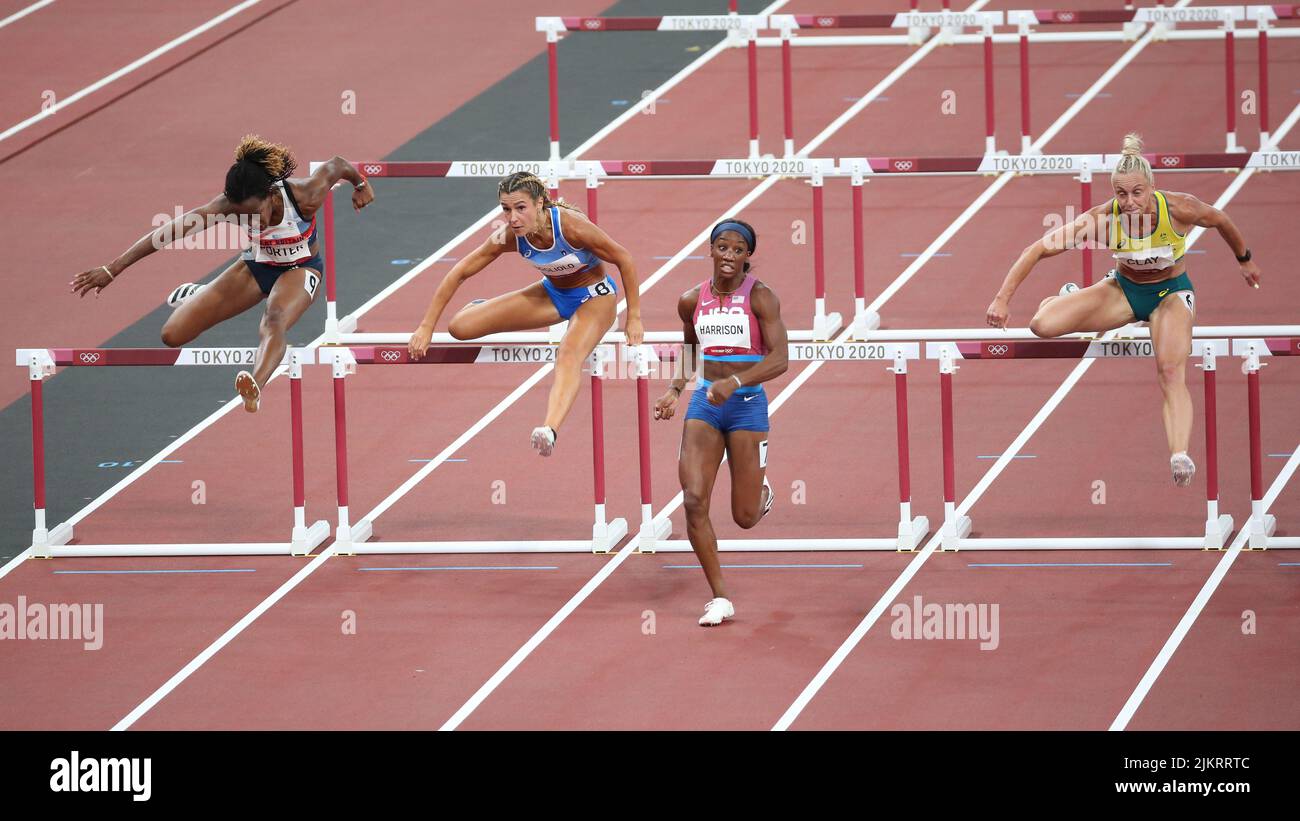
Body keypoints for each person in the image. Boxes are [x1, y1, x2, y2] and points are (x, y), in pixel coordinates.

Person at [987, 133, 1262, 486]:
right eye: (1121, 194)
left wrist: (1245, 260)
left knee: (1169, 370)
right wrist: (1001, 298)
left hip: (1170, 295)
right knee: (1041, 325)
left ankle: (1179, 453)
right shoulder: (1101, 220)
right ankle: (1065, 298)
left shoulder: (1180, 208)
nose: (1129, 202)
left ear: (1151, 187)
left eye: (1137, 192)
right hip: (1123, 291)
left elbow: (1222, 220)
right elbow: (1037, 250)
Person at [70, 135, 373, 411]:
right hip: (256, 267)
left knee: (274, 320)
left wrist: (361, 185)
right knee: (172, 335)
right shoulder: (226, 206)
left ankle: (255, 386)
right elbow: (167, 233)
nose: (251, 221)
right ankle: (200, 293)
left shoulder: (305, 195)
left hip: (300, 269)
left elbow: (337, 165)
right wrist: (113, 268)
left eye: (256, 214)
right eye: (242, 216)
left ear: (271, 195)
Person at [408, 171, 644, 455]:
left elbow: (625, 259)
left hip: (594, 298)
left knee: (568, 353)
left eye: (520, 208)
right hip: (553, 294)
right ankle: (482, 308)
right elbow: (460, 271)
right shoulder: (509, 236)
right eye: (506, 210)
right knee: (460, 328)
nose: (513, 218)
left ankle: (549, 429)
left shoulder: (572, 228)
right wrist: (426, 326)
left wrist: (634, 318)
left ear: (541, 204)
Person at [654, 219, 789, 626]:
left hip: (746, 405)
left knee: (744, 518)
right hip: (706, 405)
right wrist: (675, 390)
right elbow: (691, 348)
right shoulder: (690, 300)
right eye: (722, 248)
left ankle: (758, 487)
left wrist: (736, 382)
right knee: (693, 499)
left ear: (747, 256)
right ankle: (719, 597)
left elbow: (781, 359)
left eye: (737, 250)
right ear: (710, 250)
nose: (728, 256)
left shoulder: (761, 298)